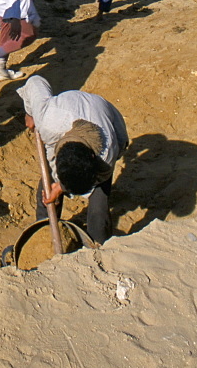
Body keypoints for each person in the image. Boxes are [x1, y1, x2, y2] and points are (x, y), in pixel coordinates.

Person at [17, 75, 128, 244]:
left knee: (99, 200)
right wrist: (31, 113)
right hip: (64, 113)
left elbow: (97, 175)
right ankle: (42, 233)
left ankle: (98, 242)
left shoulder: (106, 155)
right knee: (48, 187)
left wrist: (61, 187)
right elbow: (36, 81)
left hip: (104, 112)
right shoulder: (48, 121)